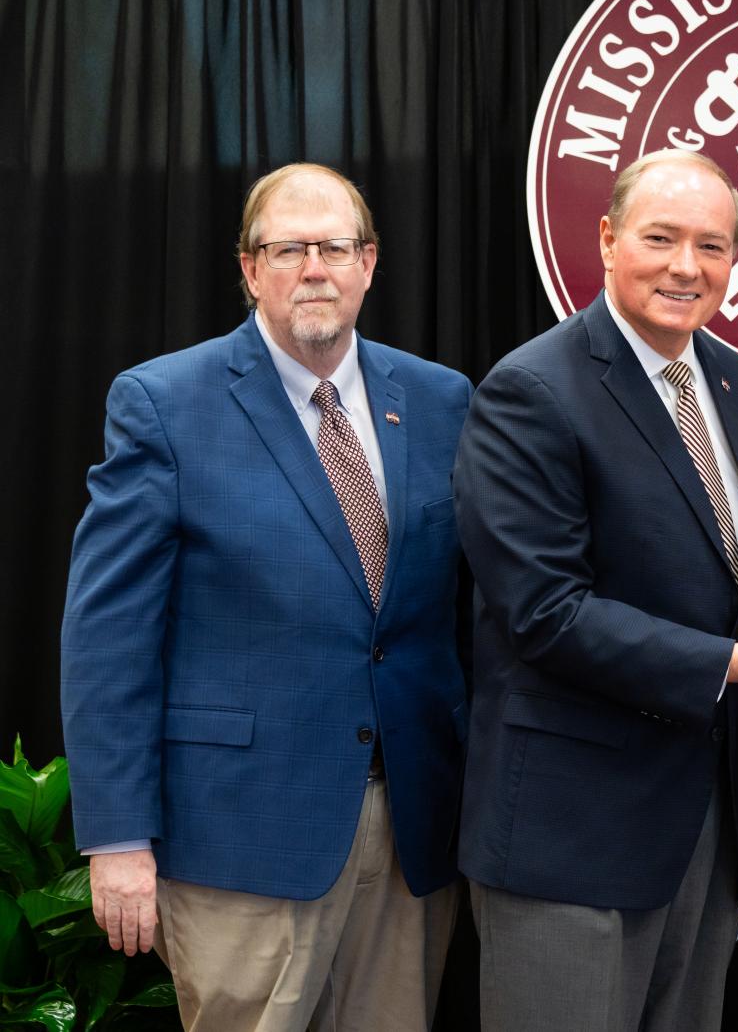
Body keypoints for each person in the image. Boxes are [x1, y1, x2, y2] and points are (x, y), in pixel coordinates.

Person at [452, 149, 738, 1031]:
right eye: (661, 238)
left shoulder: (737, 384)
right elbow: (544, 613)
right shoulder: (532, 390)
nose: (687, 266)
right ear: (607, 239)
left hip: (706, 826)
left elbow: (721, 574)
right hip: (574, 827)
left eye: (711, 246)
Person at [60, 163, 472, 1030]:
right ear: (249, 269)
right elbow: (108, 639)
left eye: (333, 247)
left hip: (408, 834)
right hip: (240, 836)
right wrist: (118, 838)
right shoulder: (163, 403)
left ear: (369, 262)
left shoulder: (441, 400)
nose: (313, 268)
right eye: (288, 249)